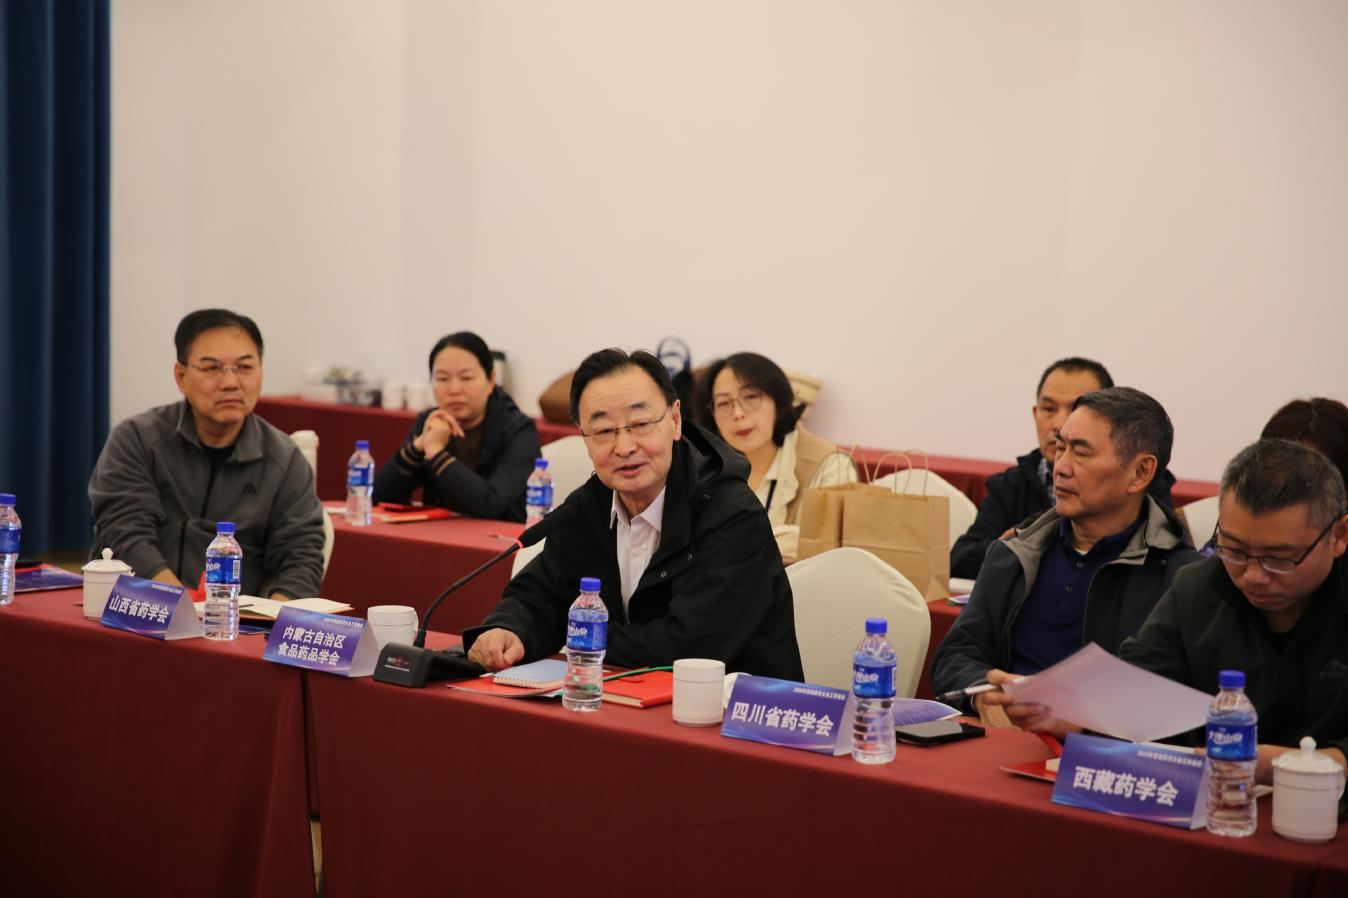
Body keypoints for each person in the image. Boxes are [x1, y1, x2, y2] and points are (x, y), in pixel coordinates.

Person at [465, 348, 804, 680]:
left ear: (675, 421)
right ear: (584, 437)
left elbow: (689, 646)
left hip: (739, 708)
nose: (624, 447)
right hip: (624, 698)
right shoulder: (588, 506)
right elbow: (540, 594)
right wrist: (508, 629)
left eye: (640, 424)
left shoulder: (731, 514)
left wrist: (579, 634)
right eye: (603, 431)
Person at [931, 387, 1200, 730]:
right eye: (1060, 448)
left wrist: (1074, 721)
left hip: (1100, 752)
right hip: (1006, 741)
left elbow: (1177, 703)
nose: (1060, 467)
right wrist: (983, 693)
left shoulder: (1180, 577)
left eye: (1081, 453)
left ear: (1140, 472)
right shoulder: (1017, 551)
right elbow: (956, 654)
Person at [1120, 440, 1348, 790]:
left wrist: (1282, 765)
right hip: (1210, 802)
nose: (1253, 576)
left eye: (1278, 558)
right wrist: (1076, 714)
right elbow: (1137, 690)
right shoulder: (1197, 589)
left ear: (1338, 536)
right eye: (1234, 549)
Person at [88, 309, 325, 600]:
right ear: (181, 376)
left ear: (261, 374)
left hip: (238, 620)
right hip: (141, 608)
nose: (230, 382)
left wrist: (268, 620)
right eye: (212, 368)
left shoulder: (285, 460)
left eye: (245, 367)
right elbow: (126, 536)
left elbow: (301, 560)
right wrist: (181, 609)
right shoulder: (137, 439)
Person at [950, 358, 1176, 580]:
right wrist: (1016, 548)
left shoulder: (1145, 485)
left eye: (1075, 409)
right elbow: (960, 559)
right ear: (1035, 413)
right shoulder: (1010, 485)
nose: (1058, 424)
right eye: (1049, 408)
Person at [693, 352, 855, 563]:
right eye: (724, 403)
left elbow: (827, 547)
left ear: (778, 400)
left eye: (751, 397)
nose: (738, 413)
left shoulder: (831, 465)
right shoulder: (705, 467)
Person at [372, 331, 539, 522]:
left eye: (466, 378)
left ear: (491, 380)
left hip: (502, 538)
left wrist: (436, 453)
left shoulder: (520, 431)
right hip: (438, 535)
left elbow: (490, 505)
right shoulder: (431, 422)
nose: (454, 390)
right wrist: (417, 447)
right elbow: (378, 498)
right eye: (443, 379)